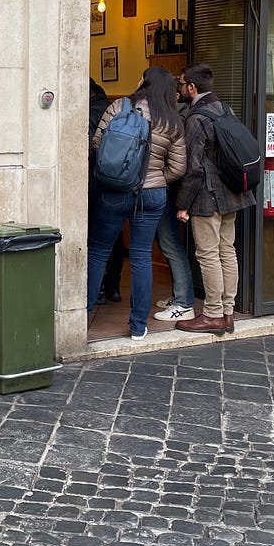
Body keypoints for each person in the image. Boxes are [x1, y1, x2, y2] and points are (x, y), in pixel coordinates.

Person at [87, 67, 186, 341]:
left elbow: (97, 144)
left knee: (98, 252)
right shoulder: (173, 120)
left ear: (143, 82)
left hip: (114, 190)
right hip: (152, 195)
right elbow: (178, 168)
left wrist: (120, 173)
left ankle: (80, 316)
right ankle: (138, 326)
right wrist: (155, 179)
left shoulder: (119, 106)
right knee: (142, 255)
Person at [173, 64, 255, 335]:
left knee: (208, 254)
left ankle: (212, 314)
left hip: (208, 196)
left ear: (192, 88)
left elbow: (193, 166)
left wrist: (183, 203)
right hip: (233, 193)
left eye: (182, 83)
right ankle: (228, 312)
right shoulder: (225, 109)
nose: (180, 87)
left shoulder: (197, 118)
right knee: (226, 251)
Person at [153, 77, 196, 324]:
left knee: (170, 244)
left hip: (169, 190)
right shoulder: (178, 116)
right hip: (170, 189)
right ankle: (180, 297)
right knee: (168, 243)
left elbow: (178, 165)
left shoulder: (173, 119)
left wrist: (161, 180)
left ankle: (184, 302)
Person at [88, 78, 125, 304]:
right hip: (117, 181)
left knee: (97, 239)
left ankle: (95, 292)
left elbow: (91, 144)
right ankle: (113, 286)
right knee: (115, 236)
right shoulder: (115, 109)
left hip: (95, 181)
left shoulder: (92, 112)